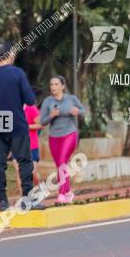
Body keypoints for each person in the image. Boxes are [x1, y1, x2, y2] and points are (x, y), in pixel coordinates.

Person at [0, 42, 42, 212]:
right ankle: (28, 200)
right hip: (17, 125)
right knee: (24, 162)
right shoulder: (17, 73)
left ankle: (2, 201)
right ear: (9, 54)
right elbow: (30, 100)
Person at [39, 75, 85, 205]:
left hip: (69, 134)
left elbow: (83, 110)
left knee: (62, 162)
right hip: (54, 137)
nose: (53, 87)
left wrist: (77, 111)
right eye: (51, 84)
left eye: (56, 84)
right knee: (60, 164)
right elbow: (42, 121)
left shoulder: (71, 99)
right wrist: (51, 116)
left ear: (63, 86)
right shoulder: (47, 101)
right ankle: (68, 192)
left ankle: (61, 193)